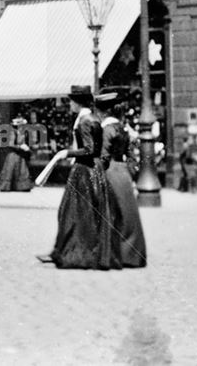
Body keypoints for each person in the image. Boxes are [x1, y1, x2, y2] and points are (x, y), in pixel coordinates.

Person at [39, 86, 121, 270]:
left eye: (71, 101)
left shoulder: (85, 120)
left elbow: (90, 149)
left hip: (85, 170)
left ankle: (73, 252)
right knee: (80, 213)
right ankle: (66, 250)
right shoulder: (91, 118)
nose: (70, 105)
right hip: (92, 169)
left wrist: (65, 153)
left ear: (77, 102)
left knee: (72, 212)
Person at [98, 93, 147, 268]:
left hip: (110, 170)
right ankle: (131, 253)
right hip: (123, 172)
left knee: (109, 211)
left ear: (102, 112)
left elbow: (103, 156)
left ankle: (112, 253)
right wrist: (131, 171)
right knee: (127, 212)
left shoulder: (105, 129)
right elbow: (132, 152)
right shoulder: (122, 128)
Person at [0, 117, 33, 192]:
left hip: (20, 154)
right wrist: (20, 147)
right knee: (10, 169)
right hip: (13, 154)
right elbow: (10, 144)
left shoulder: (22, 132)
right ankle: (7, 186)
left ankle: (22, 186)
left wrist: (26, 147)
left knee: (21, 170)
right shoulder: (12, 132)